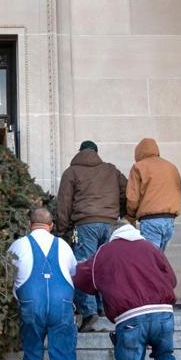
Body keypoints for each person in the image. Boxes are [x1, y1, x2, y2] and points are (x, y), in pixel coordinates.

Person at [72, 220, 176, 360]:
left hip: (130, 319)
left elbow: (83, 280)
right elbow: (172, 279)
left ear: (113, 234)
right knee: (165, 357)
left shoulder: (106, 252)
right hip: (164, 314)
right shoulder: (150, 247)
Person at [8, 206, 78, 360]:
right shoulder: (64, 246)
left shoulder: (18, 245)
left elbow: (8, 273)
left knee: (33, 353)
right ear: (51, 226)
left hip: (31, 305)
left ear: (30, 224)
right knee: (63, 356)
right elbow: (73, 272)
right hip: (61, 306)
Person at [56, 140, 127, 332]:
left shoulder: (72, 172)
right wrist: (119, 211)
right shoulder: (111, 170)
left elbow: (64, 202)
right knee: (106, 267)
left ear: (79, 152)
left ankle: (89, 312)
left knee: (84, 267)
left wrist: (62, 229)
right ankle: (105, 306)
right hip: (110, 224)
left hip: (85, 224)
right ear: (97, 152)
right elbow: (127, 191)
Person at [126, 138, 181, 252]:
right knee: (158, 259)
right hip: (170, 221)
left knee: (149, 261)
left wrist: (130, 216)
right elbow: (178, 190)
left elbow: (132, 197)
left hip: (151, 220)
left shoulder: (139, 167)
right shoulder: (171, 167)